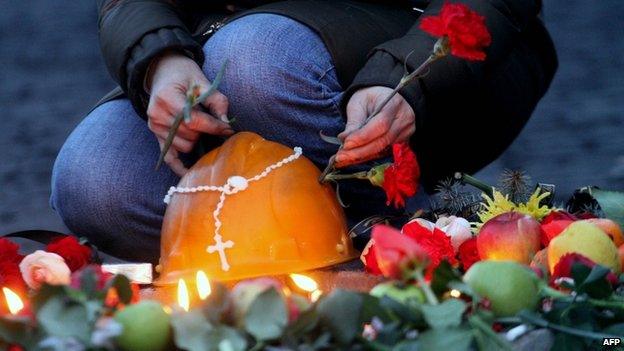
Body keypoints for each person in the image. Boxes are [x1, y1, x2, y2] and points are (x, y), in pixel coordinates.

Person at [51, 0, 557, 263]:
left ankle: (411, 257)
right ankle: (269, 263)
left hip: (436, 43)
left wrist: (407, 76)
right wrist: (160, 58)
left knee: (255, 63)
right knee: (94, 178)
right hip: (225, 40)